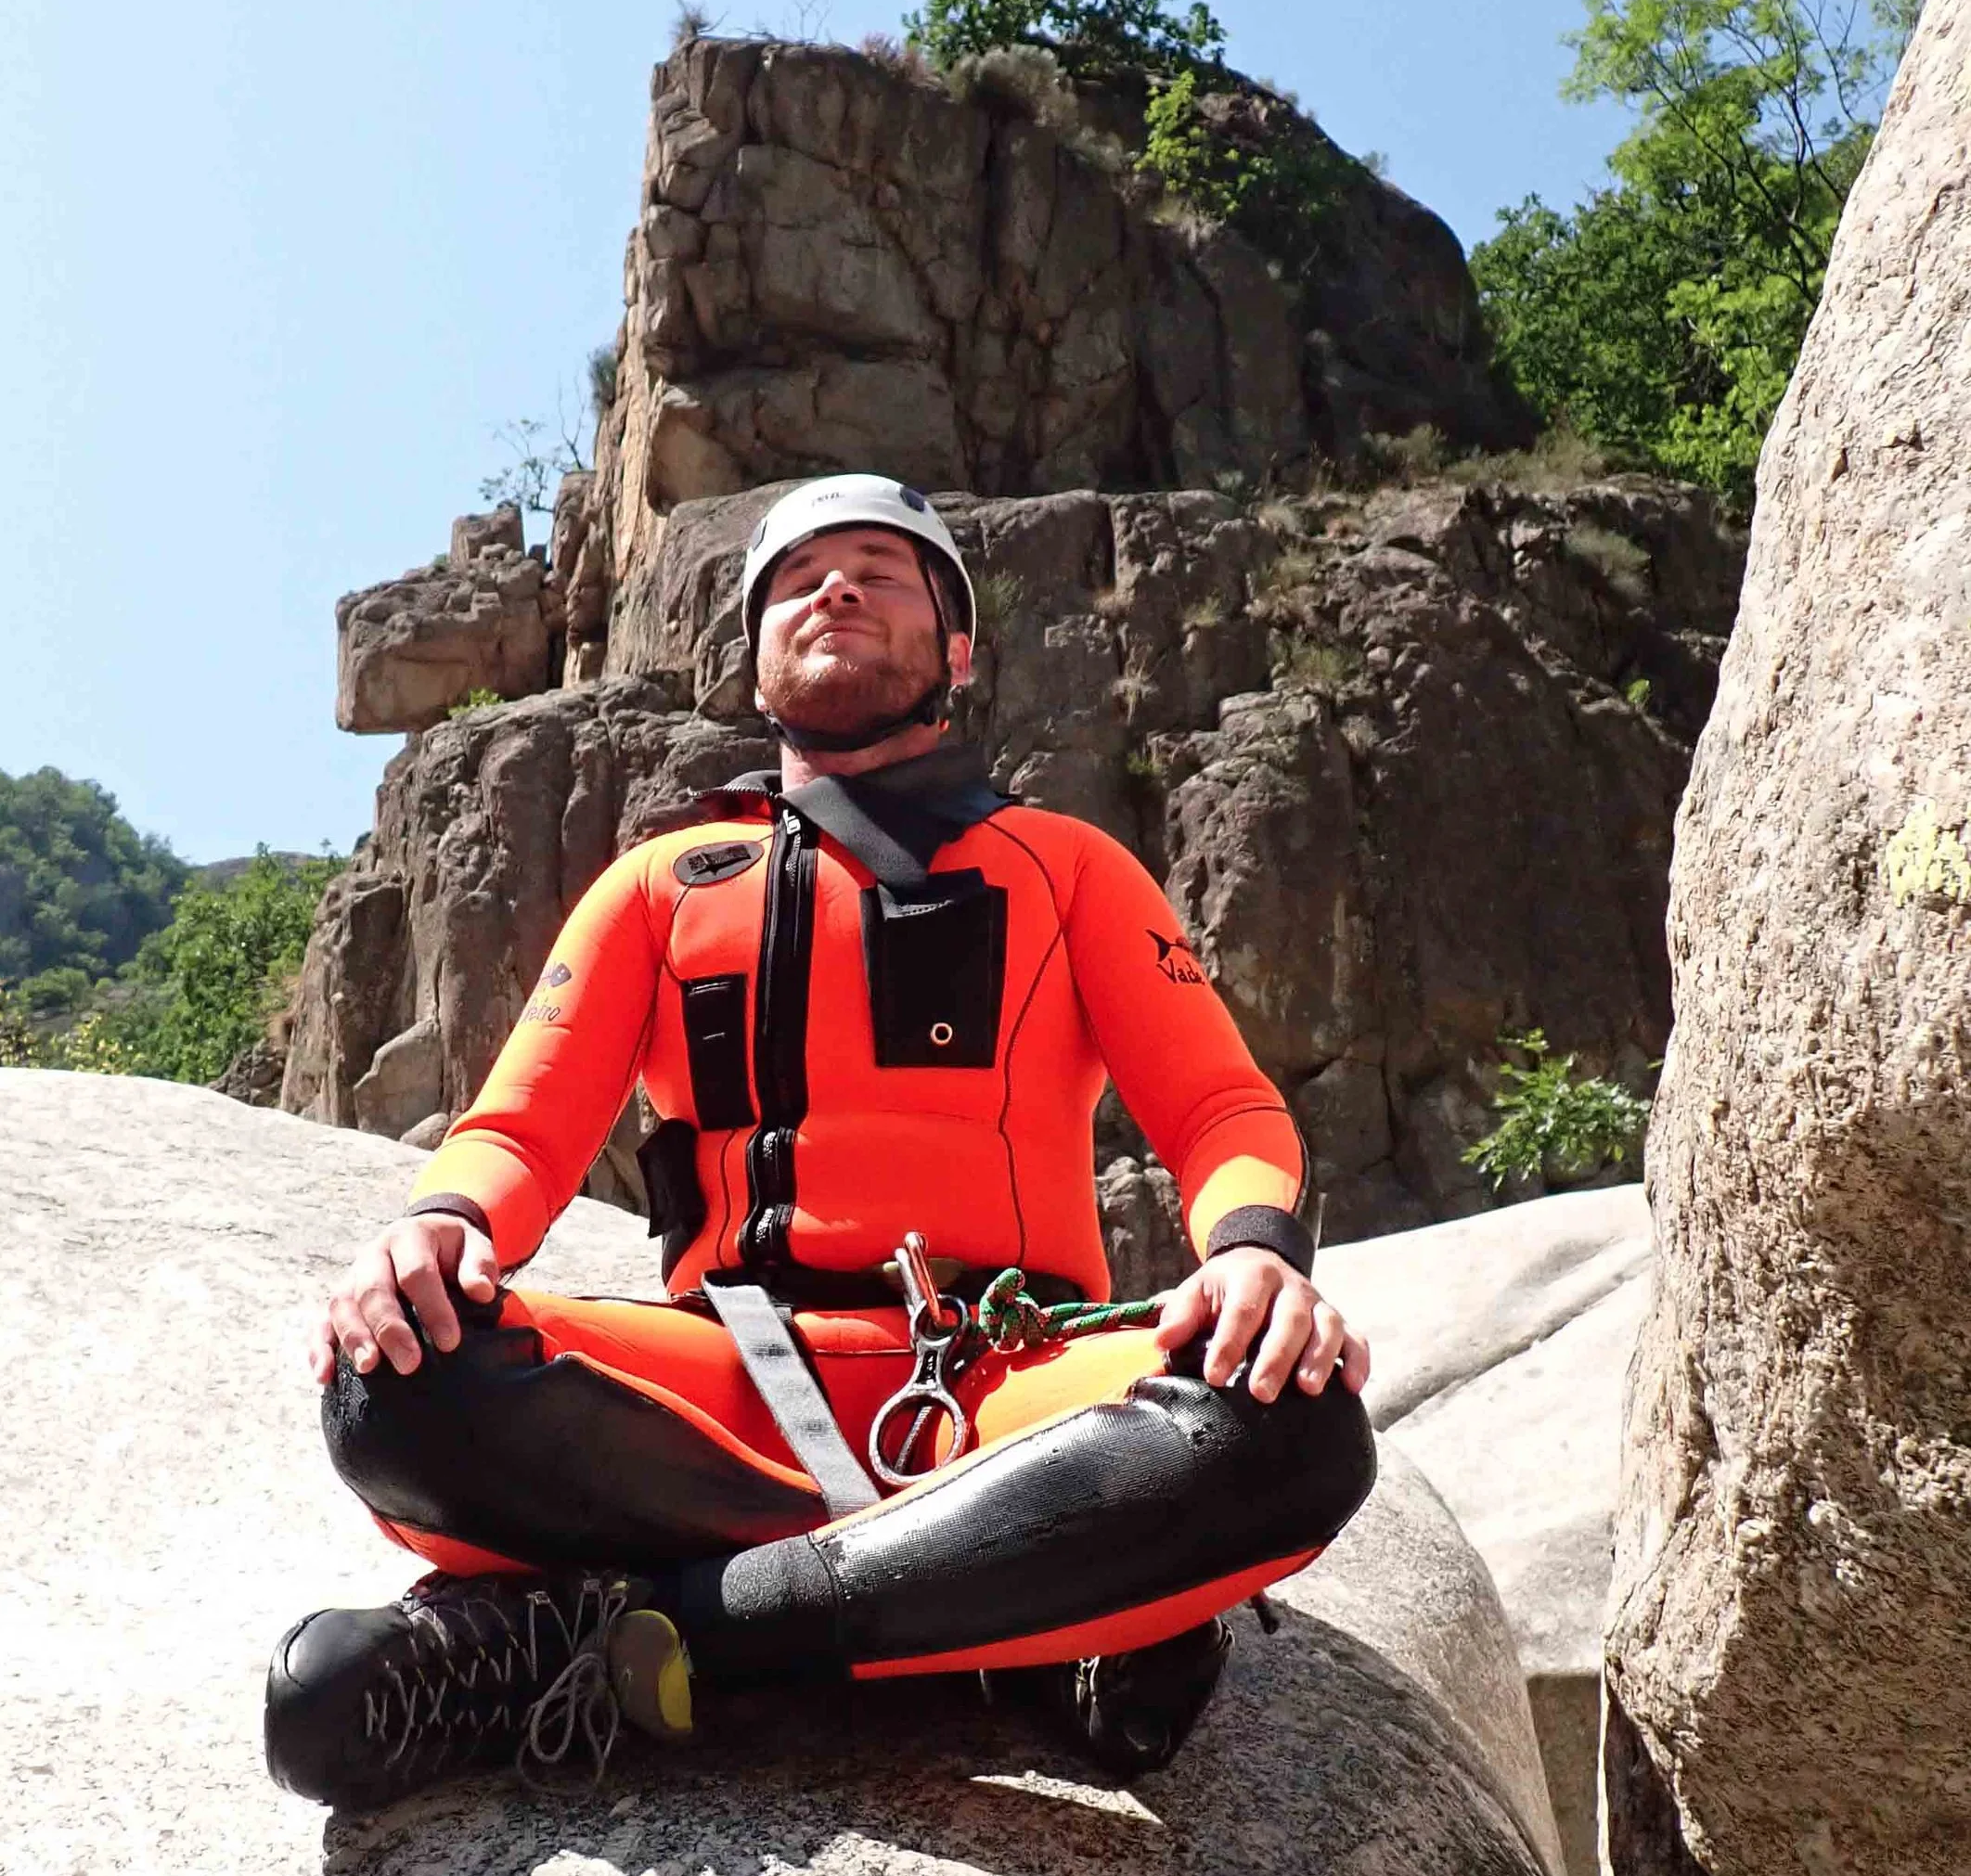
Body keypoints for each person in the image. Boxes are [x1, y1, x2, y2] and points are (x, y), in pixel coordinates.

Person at [267, 472, 1375, 1805]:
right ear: (756, 653)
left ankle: (658, 1634)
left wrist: (1257, 1257)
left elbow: (1222, 1110)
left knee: (1288, 1423)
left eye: (880, 571)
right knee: (387, 1381)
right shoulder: (662, 887)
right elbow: (519, 1127)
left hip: (1005, 1382)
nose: (834, 588)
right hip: (737, 1380)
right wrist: (433, 1235)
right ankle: (991, 1613)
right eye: (798, 578)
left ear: (955, 653)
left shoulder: (1069, 866)